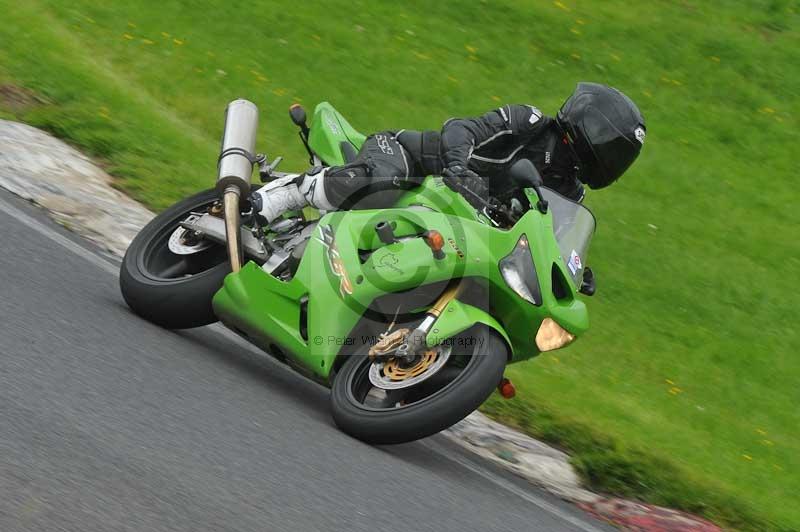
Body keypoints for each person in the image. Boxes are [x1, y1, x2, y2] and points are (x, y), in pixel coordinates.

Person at [250, 82, 646, 223]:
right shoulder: (530, 122)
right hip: (413, 160)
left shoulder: (570, 194)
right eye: (613, 149)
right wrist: (457, 165)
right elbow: (463, 128)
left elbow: (550, 238)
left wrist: (572, 274)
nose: (613, 159)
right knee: (381, 183)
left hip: (453, 218)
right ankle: (284, 194)